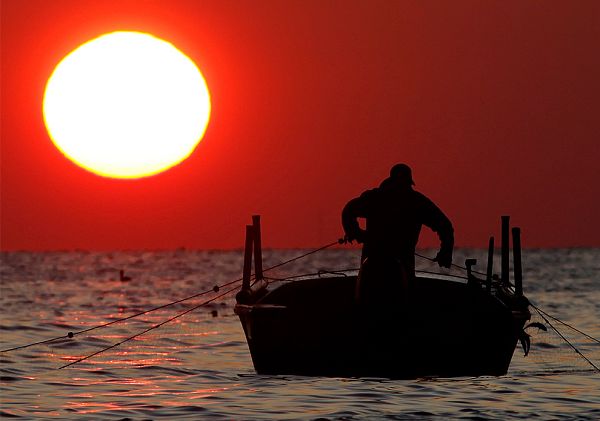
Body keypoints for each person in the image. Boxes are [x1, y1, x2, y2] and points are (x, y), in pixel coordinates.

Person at [342, 163, 454, 308]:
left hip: (385, 268)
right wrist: (446, 253)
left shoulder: (376, 198)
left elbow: (348, 210)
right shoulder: (414, 201)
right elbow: (446, 227)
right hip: (393, 268)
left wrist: (355, 233)